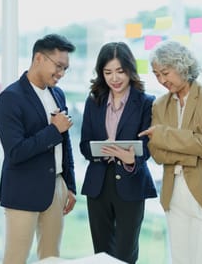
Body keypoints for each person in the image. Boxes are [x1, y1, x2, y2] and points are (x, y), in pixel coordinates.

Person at [139, 40, 202, 264]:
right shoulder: (159, 105)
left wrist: (163, 134)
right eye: (157, 74)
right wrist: (194, 153)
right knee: (179, 259)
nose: (162, 80)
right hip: (174, 193)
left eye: (165, 72)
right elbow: (157, 153)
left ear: (182, 66)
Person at [0, 34, 77, 264]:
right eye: (58, 66)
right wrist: (53, 130)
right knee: (15, 259)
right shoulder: (9, 98)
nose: (61, 73)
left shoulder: (57, 94)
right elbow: (15, 152)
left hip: (57, 187)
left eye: (65, 69)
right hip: (23, 190)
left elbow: (65, 143)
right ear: (39, 58)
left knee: (51, 258)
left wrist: (69, 185)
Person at [79, 42, 157, 264]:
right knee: (101, 254)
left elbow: (148, 147)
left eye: (120, 71)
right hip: (98, 185)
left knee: (125, 253)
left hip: (131, 184)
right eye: (108, 72)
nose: (114, 78)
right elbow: (84, 145)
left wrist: (131, 159)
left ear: (130, 70)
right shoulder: (93, 101)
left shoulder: (145, 102)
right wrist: (101, 150)